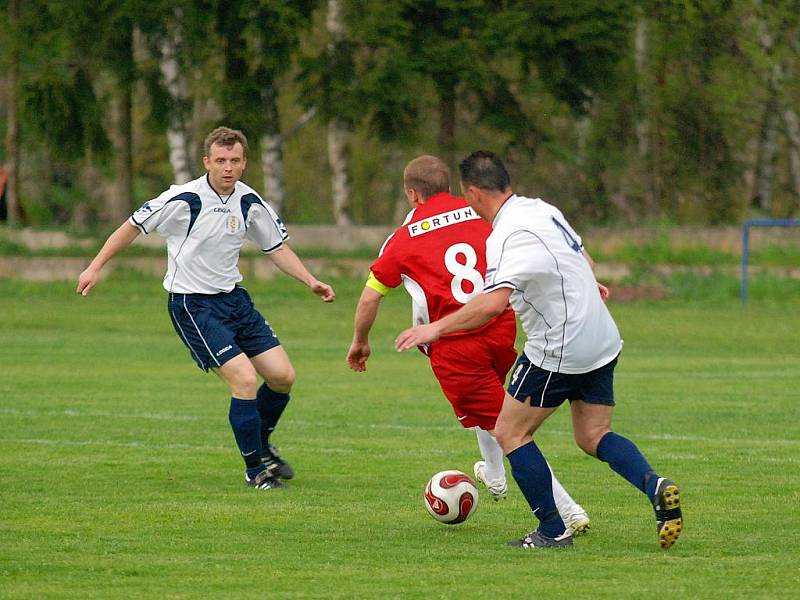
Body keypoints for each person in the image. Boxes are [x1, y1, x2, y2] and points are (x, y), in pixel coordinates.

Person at [395, 151, 682, 550]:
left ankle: (552, 528)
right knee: (594, 434)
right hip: (601, 334)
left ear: (474, 192)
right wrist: (588, 283)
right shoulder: (543, 209)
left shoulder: (505, 235)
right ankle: (655, 485)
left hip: (559, 344)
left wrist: (435, 328)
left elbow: (493, 303)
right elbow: (582, 255)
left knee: (509, 431)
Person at [77, 126, 335, 490]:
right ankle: (255, 470)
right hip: (193, 305)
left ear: (244, 163)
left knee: (282, 376)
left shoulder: (249, 202)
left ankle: (261, 445)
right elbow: (132, 227)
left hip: (234, 300)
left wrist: (310, 280)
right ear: (206, 162)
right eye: (220, 161)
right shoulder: (184, 199)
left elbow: (275, 247)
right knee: (245, 380)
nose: (227, 167)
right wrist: (94, 266)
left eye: (234, 161)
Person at [347, 155, 590, 535]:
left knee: (508, 428)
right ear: (450, 186)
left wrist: (360, 341)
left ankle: (567, 511)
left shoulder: (403, 238)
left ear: (413, 194)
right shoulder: (480, 212)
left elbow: (369, 298)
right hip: (500, 326)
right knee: (493, 409)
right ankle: (493, 476)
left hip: (455, 343)